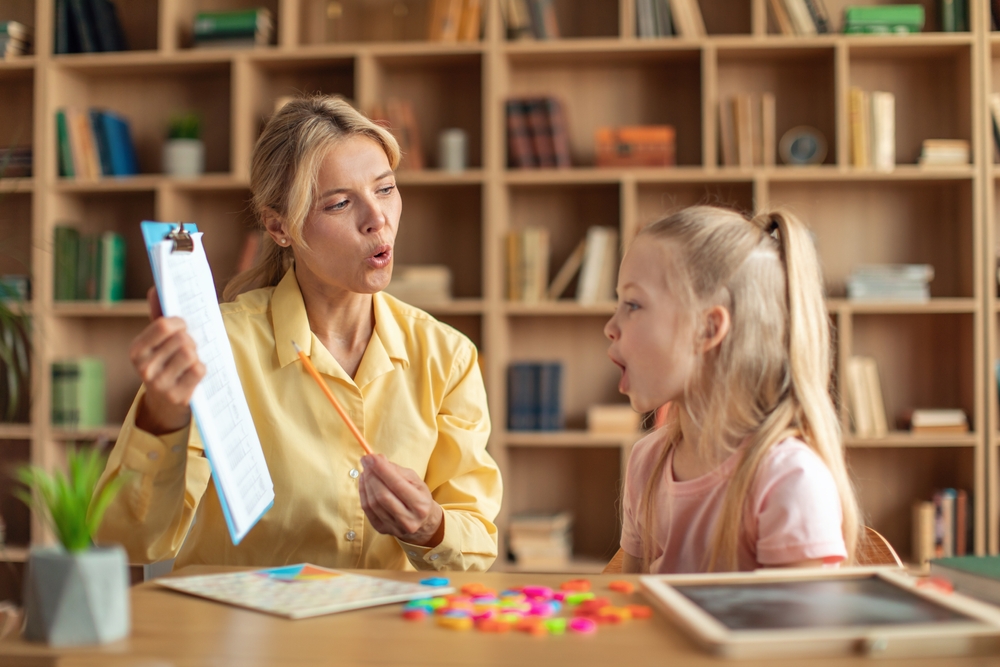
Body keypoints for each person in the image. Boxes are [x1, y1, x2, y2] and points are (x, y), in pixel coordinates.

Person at [94, 95, 502, 572]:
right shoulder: (216, 349)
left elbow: (475, 546)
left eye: (385, 189)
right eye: (341, 203)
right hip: (245, 637)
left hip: (386, 636)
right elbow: (126, 542)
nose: (378, 219)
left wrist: (430, 526)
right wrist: (161, 418)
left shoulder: (447, 356)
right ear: (279, 226)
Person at [605, 205, 860, 573]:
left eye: (632, 304)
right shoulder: (647, 462)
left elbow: (799, 629)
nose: (611, 327)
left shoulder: (789, 479)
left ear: (708, 329)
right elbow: (629, 609)